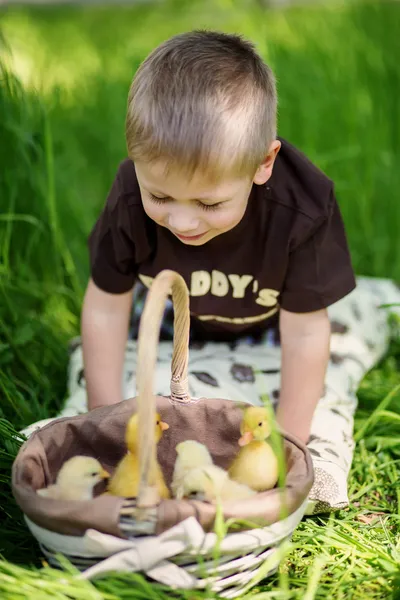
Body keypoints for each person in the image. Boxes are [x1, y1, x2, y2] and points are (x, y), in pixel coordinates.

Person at [81, 30, 356, 444]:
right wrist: (103, 419)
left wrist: (287, 444)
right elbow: (105, 307)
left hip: (271, 328)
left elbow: (304, 333)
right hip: (172, 328)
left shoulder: (301, 211)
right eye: (159, 195)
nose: (182, 221)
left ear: (263, 163)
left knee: (325, 386)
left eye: (208, 204)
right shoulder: (128, 198)